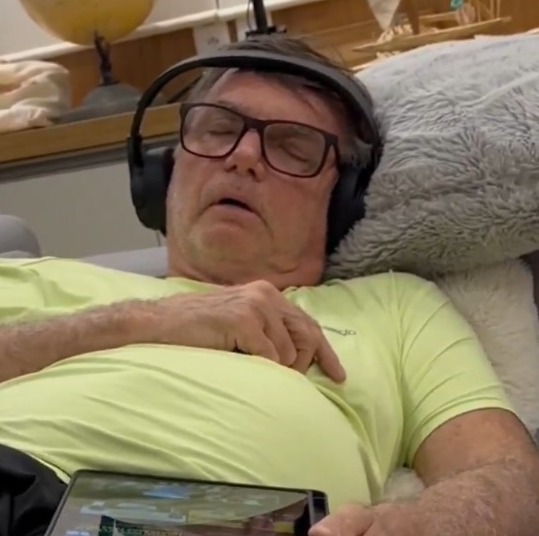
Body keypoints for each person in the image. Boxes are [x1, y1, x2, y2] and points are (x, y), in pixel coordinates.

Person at [0, 35, 538, 536]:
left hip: (186, 522)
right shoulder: (33, 278)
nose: (244, 157)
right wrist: (140, 322)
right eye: (218, 130)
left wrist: (414, 526)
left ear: (341, 198)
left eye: (293, 148)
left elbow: (510, 478)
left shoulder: (397, 308)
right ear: (166, 169)